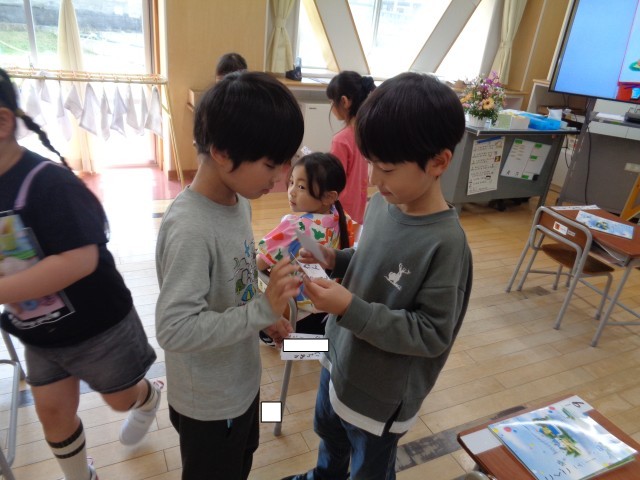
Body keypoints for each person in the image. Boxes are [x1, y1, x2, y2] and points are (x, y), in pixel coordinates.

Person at [283, 72, 473, 480]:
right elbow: (369, 261)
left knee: (369, 468)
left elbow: (431, 333)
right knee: (330, 439)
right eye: (370, 164)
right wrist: (336, 259)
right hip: (338, 360)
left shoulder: (446, 245)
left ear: (438, 162)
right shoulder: (382, 205)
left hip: (380, 397)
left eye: (385, 168)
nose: (372, 180)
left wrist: (349, 308)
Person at [0, 68, 161, 480]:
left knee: (119, 399)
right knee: (53, 413)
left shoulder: (47, 183)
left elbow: (79, 260)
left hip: (98, 326)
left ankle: (148, 397)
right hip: (38, 330)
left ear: (2, 122)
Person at [155, 71, 304, 479]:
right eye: (271, 165)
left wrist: (265, 316)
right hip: (208, 403)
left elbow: (235, 282)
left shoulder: (239, 202)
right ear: (222, 152)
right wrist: (259, 311)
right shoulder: (190, 228)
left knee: (242, 461)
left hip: (240, 384)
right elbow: (174, 329)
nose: (280, 178)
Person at [256, 152, 356, 342]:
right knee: (325, 345)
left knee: (263, 328)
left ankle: (299, 345)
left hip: (296, 314)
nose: (292, 191)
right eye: (291, 182)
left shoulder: (295, 226)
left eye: (301, 186)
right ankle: (323, 345)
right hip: (327, 310)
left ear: (329, 196)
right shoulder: (343, 218)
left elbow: (258, 264)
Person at [325, 71, 376, 225]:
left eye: (332, 102)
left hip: (340, 210)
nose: (331, 107)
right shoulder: (369, 133)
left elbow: (333, 180)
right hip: (358, 207)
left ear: (344, 101)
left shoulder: (341, 140)